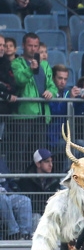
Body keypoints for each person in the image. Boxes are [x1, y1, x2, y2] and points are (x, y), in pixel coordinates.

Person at [11, 33, 55, 169]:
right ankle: (17, 181)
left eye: (36, 46)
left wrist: (51, 92)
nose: (33, 48)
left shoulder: (45, 65)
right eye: (30, 45)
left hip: (42, 115)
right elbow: (18, 80)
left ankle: (36, 181)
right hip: (24, 115)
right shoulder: (16, 63)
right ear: (23, 45)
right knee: (20, 152)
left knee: (38, 154)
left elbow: (52, 85)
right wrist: (30, 69)